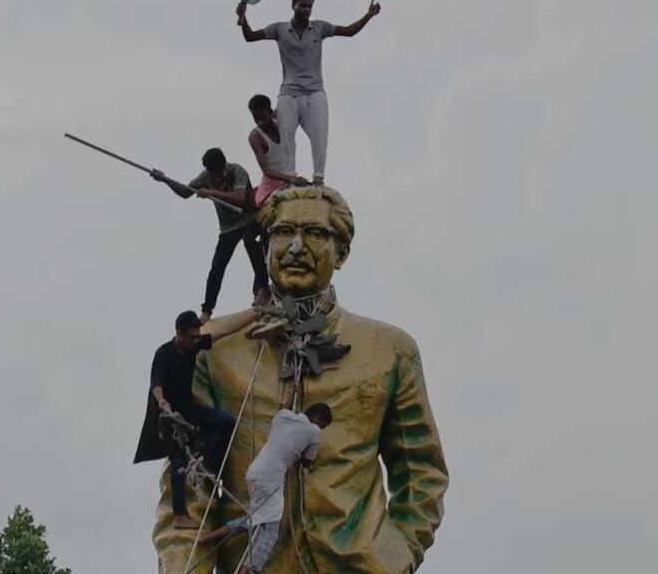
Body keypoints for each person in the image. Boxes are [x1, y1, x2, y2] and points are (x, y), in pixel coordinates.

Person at [152, 186, 449, 573]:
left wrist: (397, 554)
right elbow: (190, 481)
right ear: (264, 247)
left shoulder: (390, 350)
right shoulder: (216, 350)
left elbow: (421, 472)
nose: (295, 247)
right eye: (283, 232)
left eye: (315, 233)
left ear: (341, 252)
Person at [236, 0, 381, 185]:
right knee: (286, 132)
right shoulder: (280, 29)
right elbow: (250, 37)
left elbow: (349, 31)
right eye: (302, 5)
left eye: (309, 6)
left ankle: (319, 176)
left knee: (319, 133)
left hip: (315, 91)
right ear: (293, 5)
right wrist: (243, 18)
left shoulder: (319, 28)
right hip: (289, 92)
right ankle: (290, 177)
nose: (306, 9)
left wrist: (368, 16)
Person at [134, 309, 257, 530]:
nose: (194, 341)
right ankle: (180, 515)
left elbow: (224, 332)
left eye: (196, 337)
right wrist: (162, 402)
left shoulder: (194, 344)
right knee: (178, 460)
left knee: (227, 423)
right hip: (170, 416)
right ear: (178, 333)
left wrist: (255, 316)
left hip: (190, 408)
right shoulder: (164, 353)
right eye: (190, 337)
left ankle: (206, 463)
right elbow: (157, 383)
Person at [197, 383, 333, 574]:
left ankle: (210, 538)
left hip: (255, 472)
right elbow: (307, 462)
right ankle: (248, 571)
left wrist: (291, 394)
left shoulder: (283, 417)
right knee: (270, 532)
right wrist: (301, 455)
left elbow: (283, 407)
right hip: (271, 478)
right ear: (318, 418)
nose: (321, 429)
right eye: (322, 425)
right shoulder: (314, 431)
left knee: (255, 519)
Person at [151, 148, 270, 323]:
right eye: (216, 174)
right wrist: (165, 180)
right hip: (228, 227)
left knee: (249, 240)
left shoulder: (237, 171)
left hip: (249, 218)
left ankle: (262, 287)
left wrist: (212, 192)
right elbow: (185, 192)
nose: (220, 176)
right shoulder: (205, 177)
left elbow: (239, 197)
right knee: (217, 265)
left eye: (221, 171)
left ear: (224, 166)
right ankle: (207, 310)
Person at [247, 93, 309, 208]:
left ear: (270, 112)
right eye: (256, 118)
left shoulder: (280, 119)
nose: (260, 122)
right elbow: (267, 170)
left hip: (290, 179)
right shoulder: (255, 137)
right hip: (272, 185)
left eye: (263, 117)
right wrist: (292, 179)